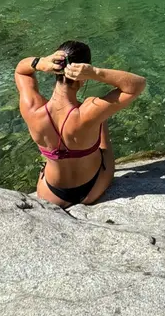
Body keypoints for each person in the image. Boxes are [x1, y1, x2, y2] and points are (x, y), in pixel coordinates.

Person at [15, 40, 146, 208]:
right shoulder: (89, 110)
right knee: (100, 119)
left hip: (51, 194)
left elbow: (21, 71)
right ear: (83, 78)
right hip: (92, 189)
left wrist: (39, 62)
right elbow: (137, 84)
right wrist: (96, 73)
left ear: (54, 69)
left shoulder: (32, 109)